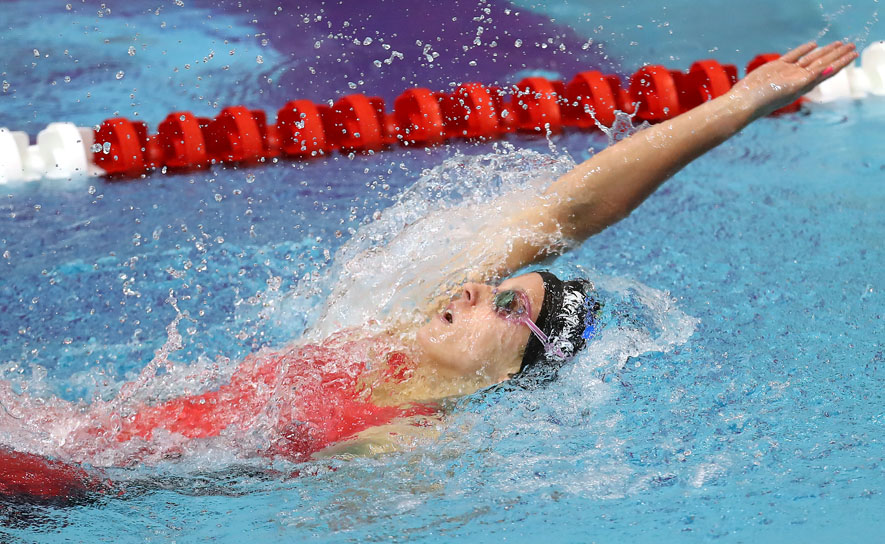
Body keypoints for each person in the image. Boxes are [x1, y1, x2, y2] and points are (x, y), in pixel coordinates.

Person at [0, 41, 858, 499]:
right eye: (497, 284)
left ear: (511, 372)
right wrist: (737, 103)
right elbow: (564, 215)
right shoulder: (380, 326)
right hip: (52, 428)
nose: (478, 287)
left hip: (51, 487)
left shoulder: (405, 439)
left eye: (506, 307)